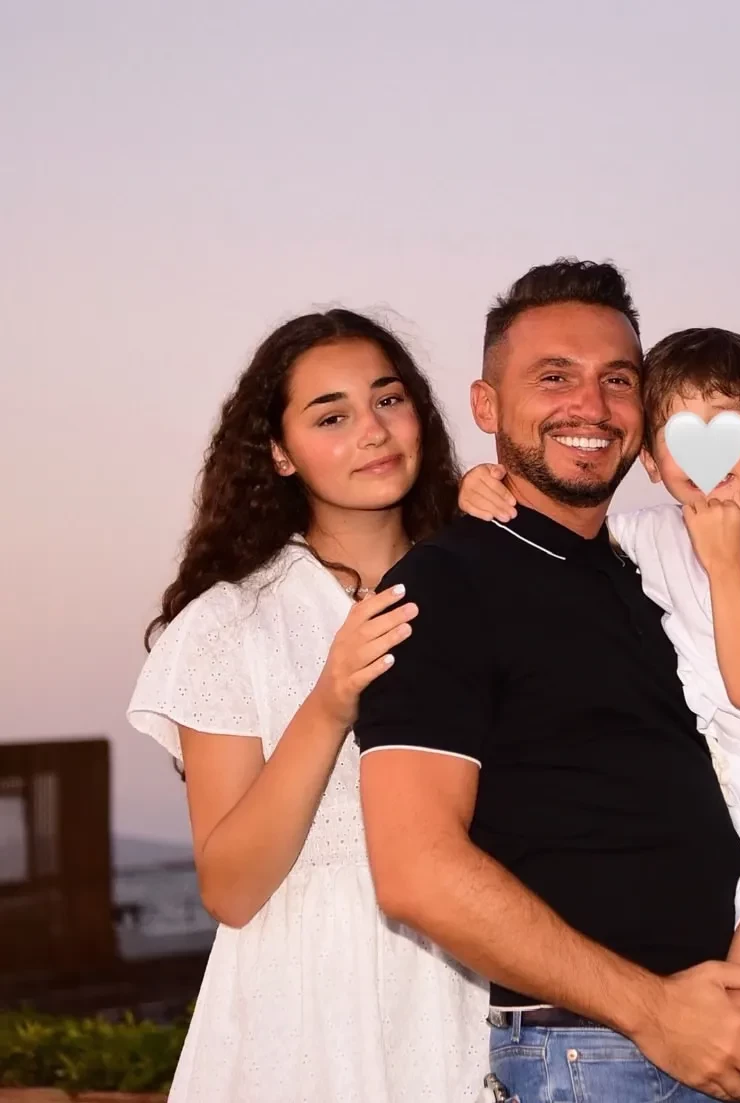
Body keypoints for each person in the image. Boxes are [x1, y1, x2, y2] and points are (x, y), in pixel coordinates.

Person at [353, 260, 740, 1103]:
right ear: (486, 407)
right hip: (598, 1057)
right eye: (554, 377)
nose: (592, 404)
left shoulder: (645, 570)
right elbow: (415, 869)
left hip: (722, 1031)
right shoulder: (445, 582)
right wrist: (651, 1009)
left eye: (618, 380)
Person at [127, 310, 492, 1102]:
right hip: (302, 1011)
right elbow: (230, 888)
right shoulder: (231, 623)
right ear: (280, 452)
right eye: (332, 416)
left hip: (472, 980)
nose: (373, 430)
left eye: (388, 400)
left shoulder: (484, 587)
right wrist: (329, 703)